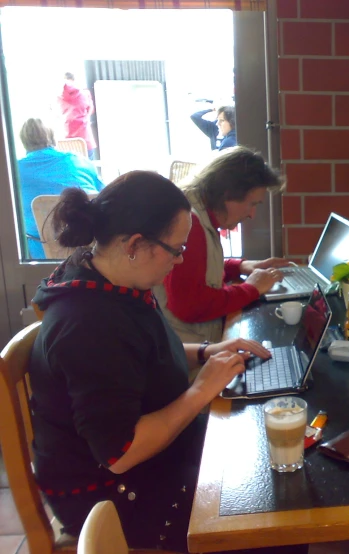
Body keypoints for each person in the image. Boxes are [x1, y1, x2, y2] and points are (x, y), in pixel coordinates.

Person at [27, 172, 305, 553]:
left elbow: (148, 353)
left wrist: (209, 351)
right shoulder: (88, 325)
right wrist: (202, 389)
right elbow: (120, 454)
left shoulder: (113, 282)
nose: (180, 260)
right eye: (176, 249)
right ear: (135, 244)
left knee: (263, 464)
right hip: (112, 497)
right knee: (276, 525)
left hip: (151, 464)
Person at [155, 146, 289, 344]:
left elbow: (197, 269)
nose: (252, 214)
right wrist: (251, 288)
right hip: (190, 356)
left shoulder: (198, 212)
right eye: (252, 204)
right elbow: (190, 305)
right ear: (228, 194)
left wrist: (240, 267)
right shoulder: (190, 226)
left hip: (194, 344)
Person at [17, 117, 104, 259]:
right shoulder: (79, 161)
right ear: (52, 137)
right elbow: (103, 195)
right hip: (91, 249)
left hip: (40, 254)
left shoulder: (13, 170)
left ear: (24, 142)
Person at [58, 72, 96, 158]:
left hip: (66, 142)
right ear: (74, 80)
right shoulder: (85, 94)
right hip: (85, 140)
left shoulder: (58, 97)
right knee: (90, 167)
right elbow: (90, 110)